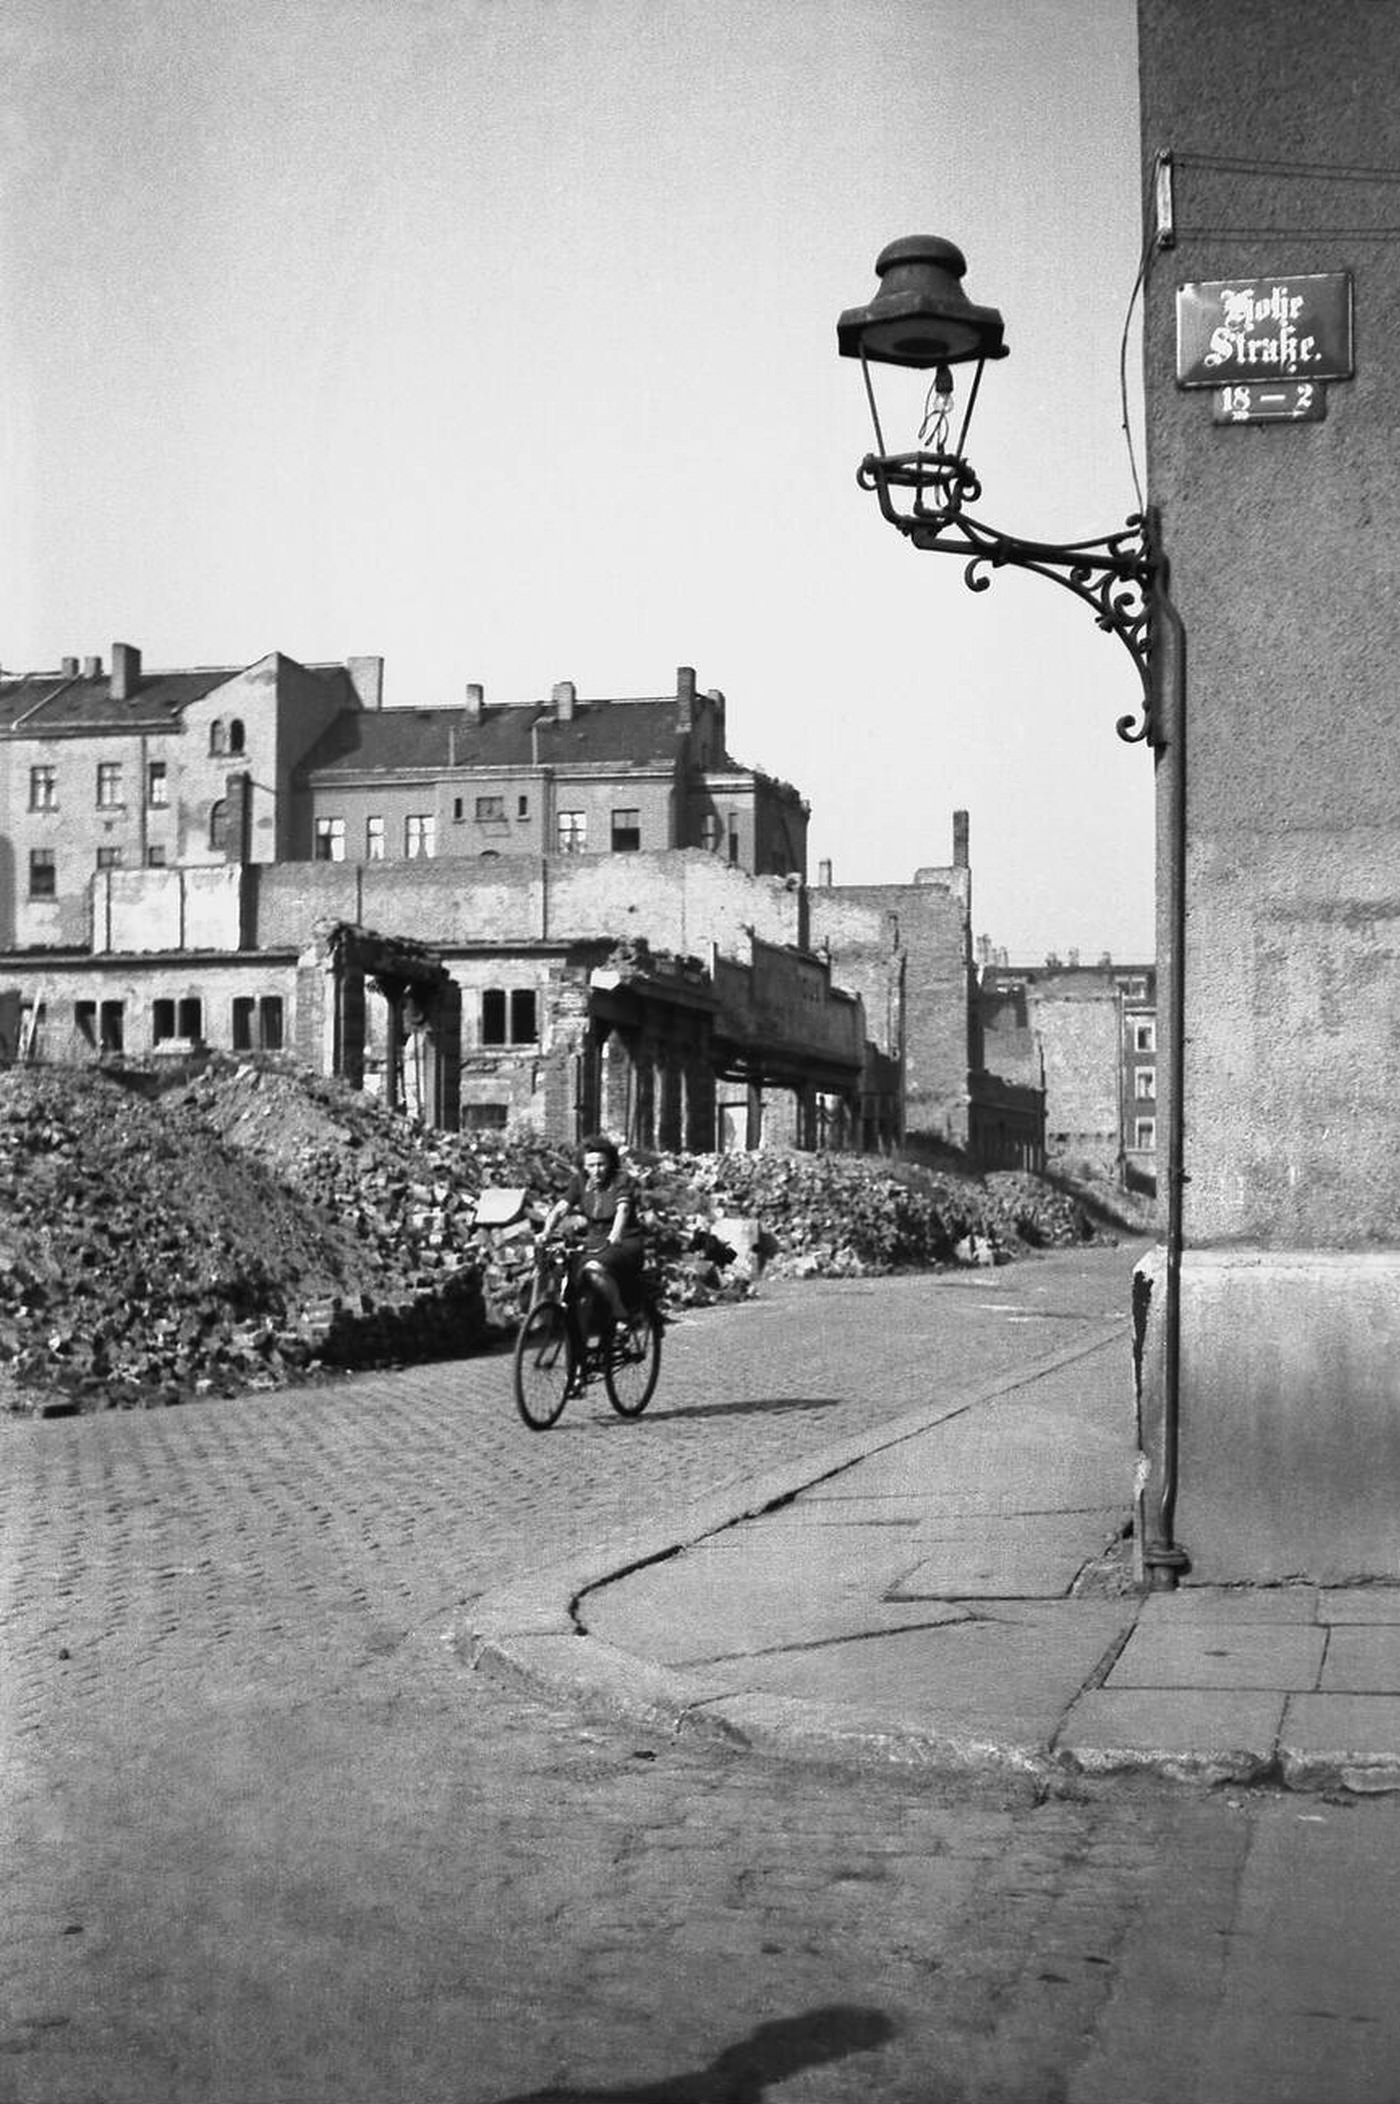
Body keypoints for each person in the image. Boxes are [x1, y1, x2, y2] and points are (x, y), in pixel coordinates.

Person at [540, 1135, 645, 1338]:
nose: (596, 1170)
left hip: (624, 1241)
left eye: (601, 1164)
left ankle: (620, 1314)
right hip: (594, 1240)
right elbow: (560, 1209)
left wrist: (615, 1234)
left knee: (594, 1269)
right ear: (584, 1166)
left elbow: (622, 1210)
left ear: (610, 1163)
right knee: (569, 1271)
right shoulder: (579, 1182)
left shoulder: (621, 1180)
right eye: (591, 1165)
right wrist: (546, 1231)